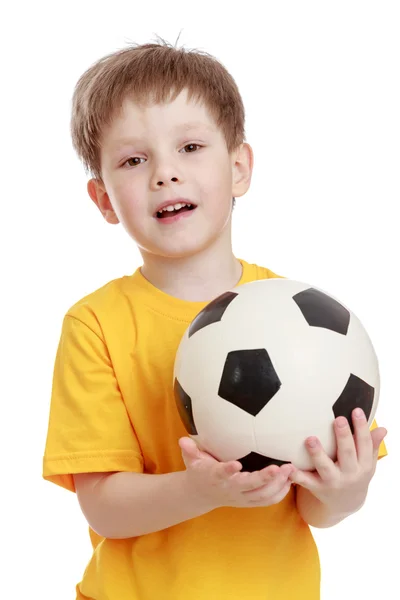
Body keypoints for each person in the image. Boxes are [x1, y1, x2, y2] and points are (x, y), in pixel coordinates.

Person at [42, 38, 388, 600]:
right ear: (104, 199)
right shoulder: (95, 325)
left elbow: (319, 513)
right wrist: (202, 490)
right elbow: (103, 506)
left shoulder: (310, 324)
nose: (165, 174)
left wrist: (346, 489)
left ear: (239, 168)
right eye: (134, 160)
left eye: (191, 147)